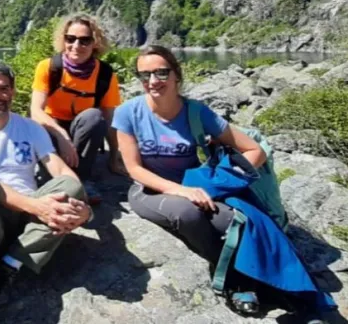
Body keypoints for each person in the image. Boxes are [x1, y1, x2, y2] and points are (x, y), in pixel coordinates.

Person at [0, 62, 91, 324]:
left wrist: (84, 210)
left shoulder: (30, 128)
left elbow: (59, 169)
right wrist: (40, 207)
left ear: (12, 92)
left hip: (30, 218)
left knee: (72, 187)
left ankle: (10, 263)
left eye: (4, 88)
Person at [113, 45, 265, 266]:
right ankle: (227, 271)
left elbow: (255, 150)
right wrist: (180, 191)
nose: (153, 81)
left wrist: (221, 184)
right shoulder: (128, 112)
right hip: (148, 191)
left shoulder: (197, 112)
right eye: (144, 75)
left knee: (239, 222)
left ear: (176, 75)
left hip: (196, 188)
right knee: (187, 213)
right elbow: (134, 168)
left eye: (161, 73)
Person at [29, 14, 123, 204]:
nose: (76, 45)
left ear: (95, 43)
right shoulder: (49, 67)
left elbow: (109, 119)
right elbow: (36, 111)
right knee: (42, 128)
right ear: (63, 40)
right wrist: (61, 136)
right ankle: (57, 177)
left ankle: (81, 179)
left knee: (94, 117)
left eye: (84, 40)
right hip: (52, 131)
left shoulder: (105, 74)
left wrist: (115, 157)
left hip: (83, 132)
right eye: (70, 39)